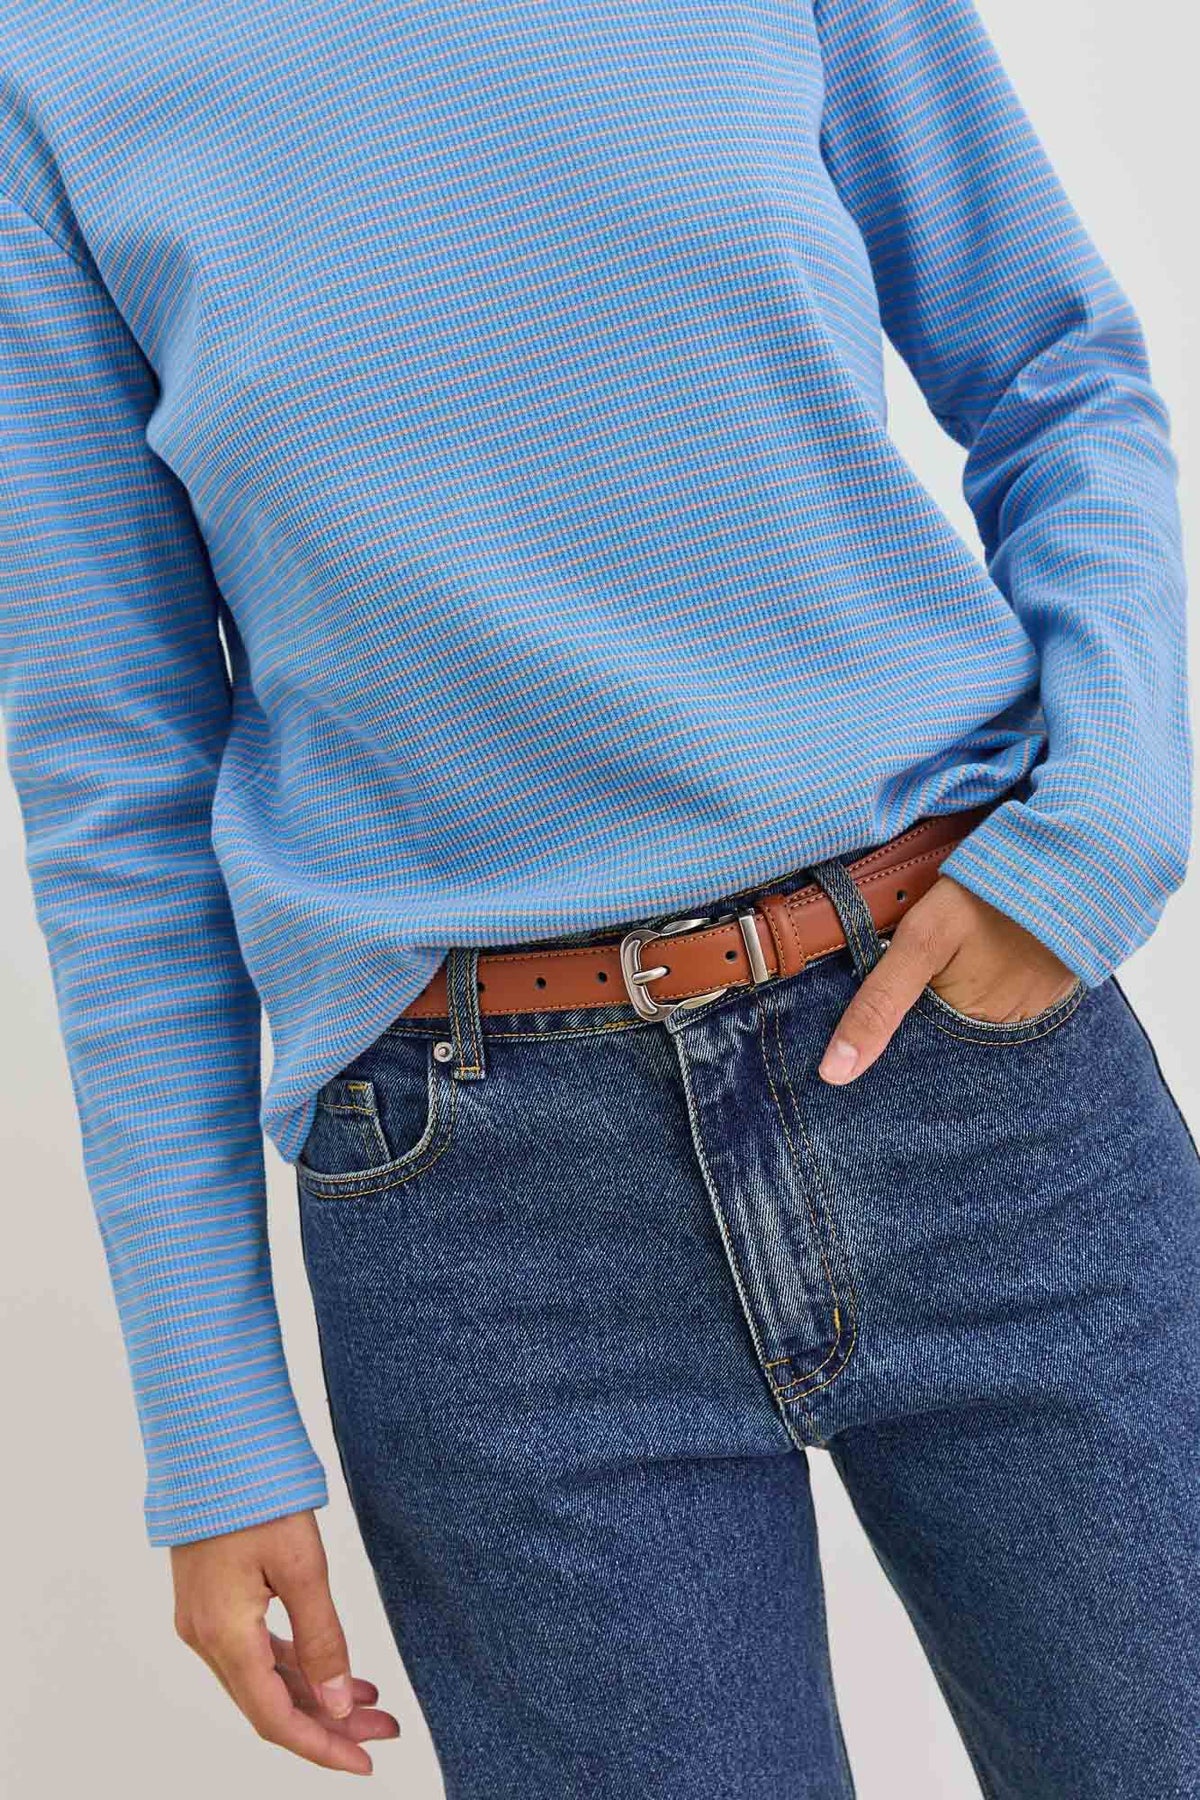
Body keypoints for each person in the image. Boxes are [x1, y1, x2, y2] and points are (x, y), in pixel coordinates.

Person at [1, 1, 1196, 1794]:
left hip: (975, 1078)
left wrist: (1104, 823)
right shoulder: (45, 67)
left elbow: (1050, 364)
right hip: (486, 1230)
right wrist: (211, 1412)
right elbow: (118, 777)